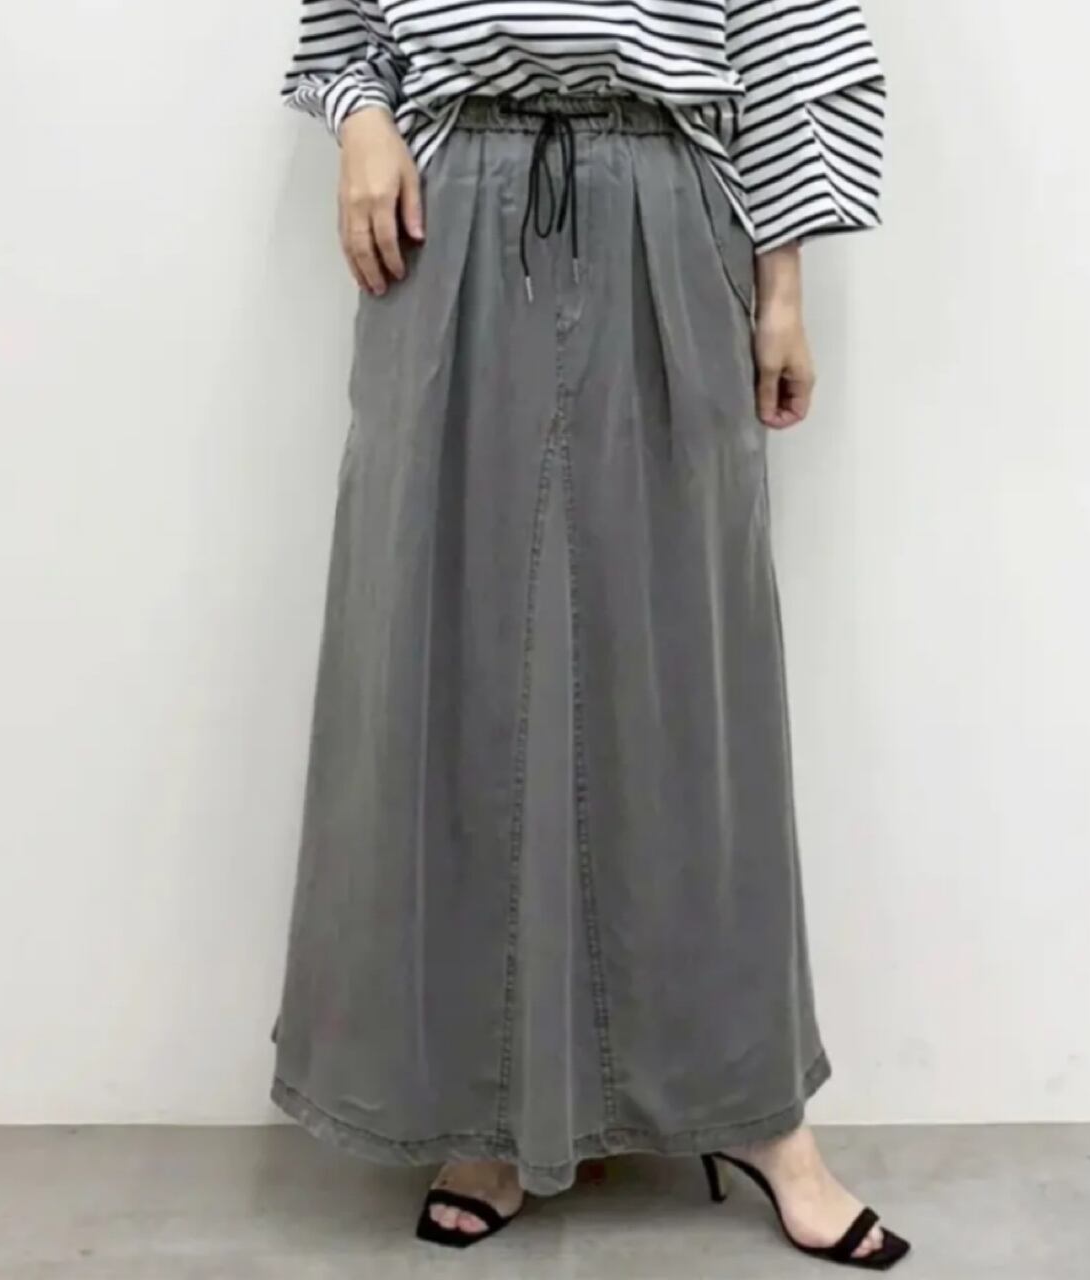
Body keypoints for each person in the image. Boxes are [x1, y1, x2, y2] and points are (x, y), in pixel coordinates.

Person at [270, 0, 909, 1268]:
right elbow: (344, 34)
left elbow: (791, 42)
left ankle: (754, 1110)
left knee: (688, 675)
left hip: (665, 204)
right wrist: (362, 124)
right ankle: (484, 1110)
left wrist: (781, 289)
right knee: (448, 658)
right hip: (445, 213)